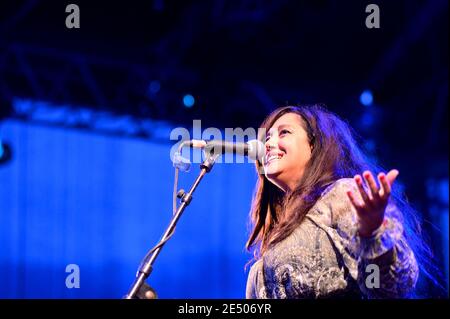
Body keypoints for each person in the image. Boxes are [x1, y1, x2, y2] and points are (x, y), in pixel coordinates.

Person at [245, 104, 438, 299]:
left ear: (314, 145)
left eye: (284, 132)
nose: (267, 144)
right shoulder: (275, 237)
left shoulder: (341, 196)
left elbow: (388, 287)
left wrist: (373, 235)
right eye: (267, 137)